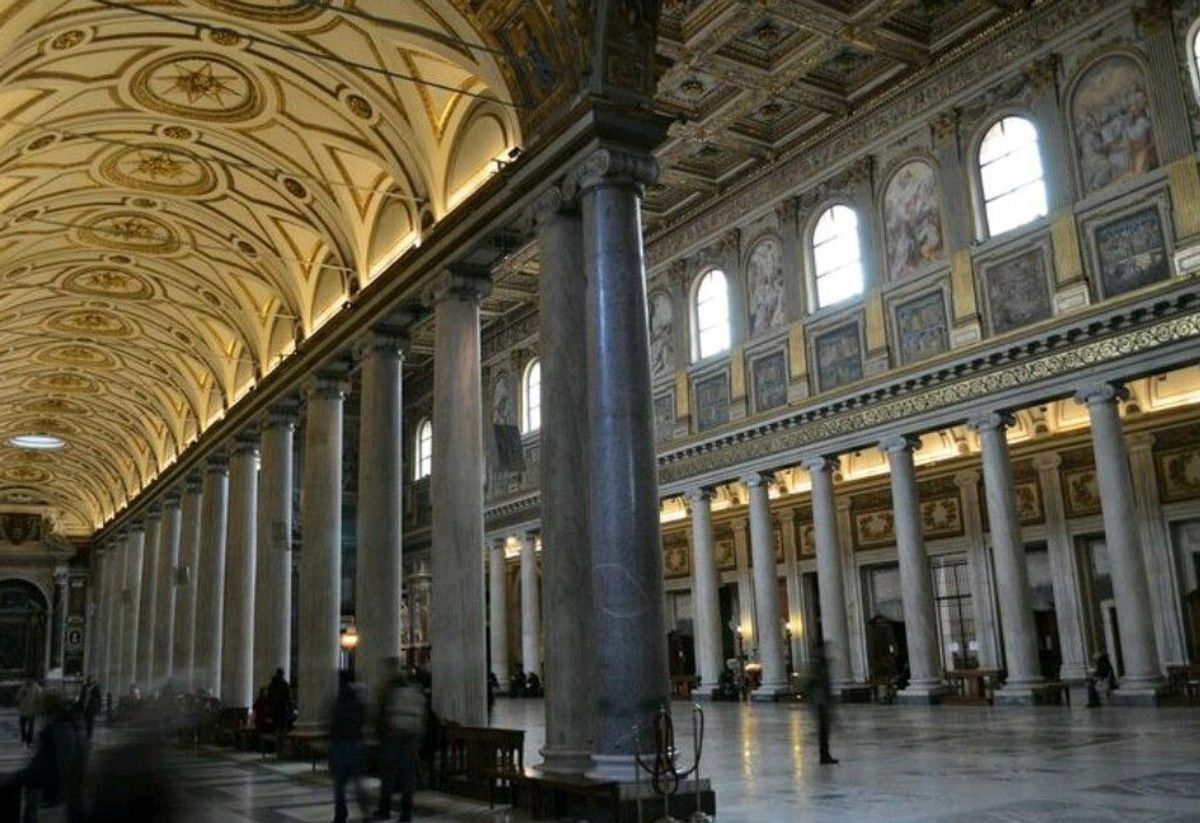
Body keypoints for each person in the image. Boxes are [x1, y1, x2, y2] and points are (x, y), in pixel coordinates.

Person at [374, 658, 426, 822]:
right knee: (407, 779)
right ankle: (406, 814)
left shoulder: (392, 691)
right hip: (411, 739)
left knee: (388, 775)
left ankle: (384, 810)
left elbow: (383, 716)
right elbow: (422, 719)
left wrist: (380, 737)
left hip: (393, 737)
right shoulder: (416, 692)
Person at [329, 670, 370, 823]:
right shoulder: (358, 698)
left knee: (339, 785)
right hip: (356, 743)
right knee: (358, 782)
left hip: (340, 744)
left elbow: (333, 723)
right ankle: (366, 813)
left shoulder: (339, 699)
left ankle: (340, 814)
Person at [807, 644, 837, 765]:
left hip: (823, 701)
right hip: (821, 702)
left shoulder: (821, 665)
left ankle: (825, 754)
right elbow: (813, 684)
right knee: (823, 731)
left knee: (824, 731)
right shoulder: (818, 666)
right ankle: (824, 755)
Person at [267, 668, 292, 737]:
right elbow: (288, 696)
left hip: (274, 707)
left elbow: (269, 696)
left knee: (276, 724)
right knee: (283, 724)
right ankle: (281, 736)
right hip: (282, 706)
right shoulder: (284, 684)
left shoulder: (271, 684)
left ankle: (277, 735)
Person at [16, 679, 41, 748]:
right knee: (22, 725)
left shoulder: (36, 687)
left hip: (31, 709)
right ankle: (25, 739)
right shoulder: (23, 686)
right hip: (23, 709)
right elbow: (18, 697)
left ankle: (29, 740)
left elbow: (39, 697)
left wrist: (39, 707)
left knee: (30, 726)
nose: (29, 680)